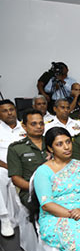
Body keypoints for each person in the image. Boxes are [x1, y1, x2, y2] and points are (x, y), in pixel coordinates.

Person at [8, 110, 48, 210]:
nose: (39, 127)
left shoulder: (53, 143)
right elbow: (16, 179)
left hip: (60, 188)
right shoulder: (16, 148)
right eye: (33, 124)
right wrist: (38, 188)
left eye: (41, 123)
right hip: (31, 192)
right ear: (24, 126)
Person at [0, 100, 28, 236]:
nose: (9, 113)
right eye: (4, 110)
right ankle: (4, 218)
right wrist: (10, 167)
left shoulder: (26, 126)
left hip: (27, 166)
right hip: (4, 167)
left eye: (11, 109)